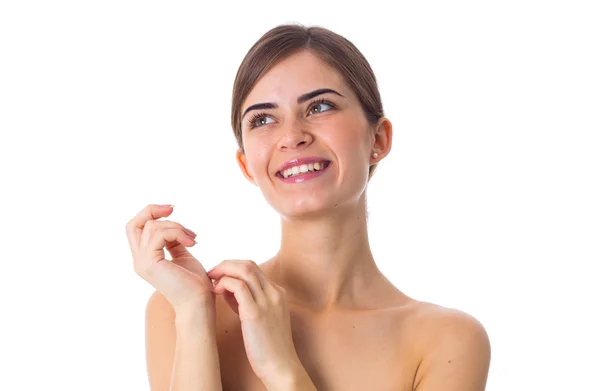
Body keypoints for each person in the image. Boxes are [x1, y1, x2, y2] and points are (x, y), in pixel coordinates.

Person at [126, 23, 491, 391]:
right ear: (246, 165)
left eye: (319, 106)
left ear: (378, 139)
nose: (292, 137)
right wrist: (193, 315)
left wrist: (283, 370)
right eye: (263, 119)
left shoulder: (448, 340)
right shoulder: (180, 309)